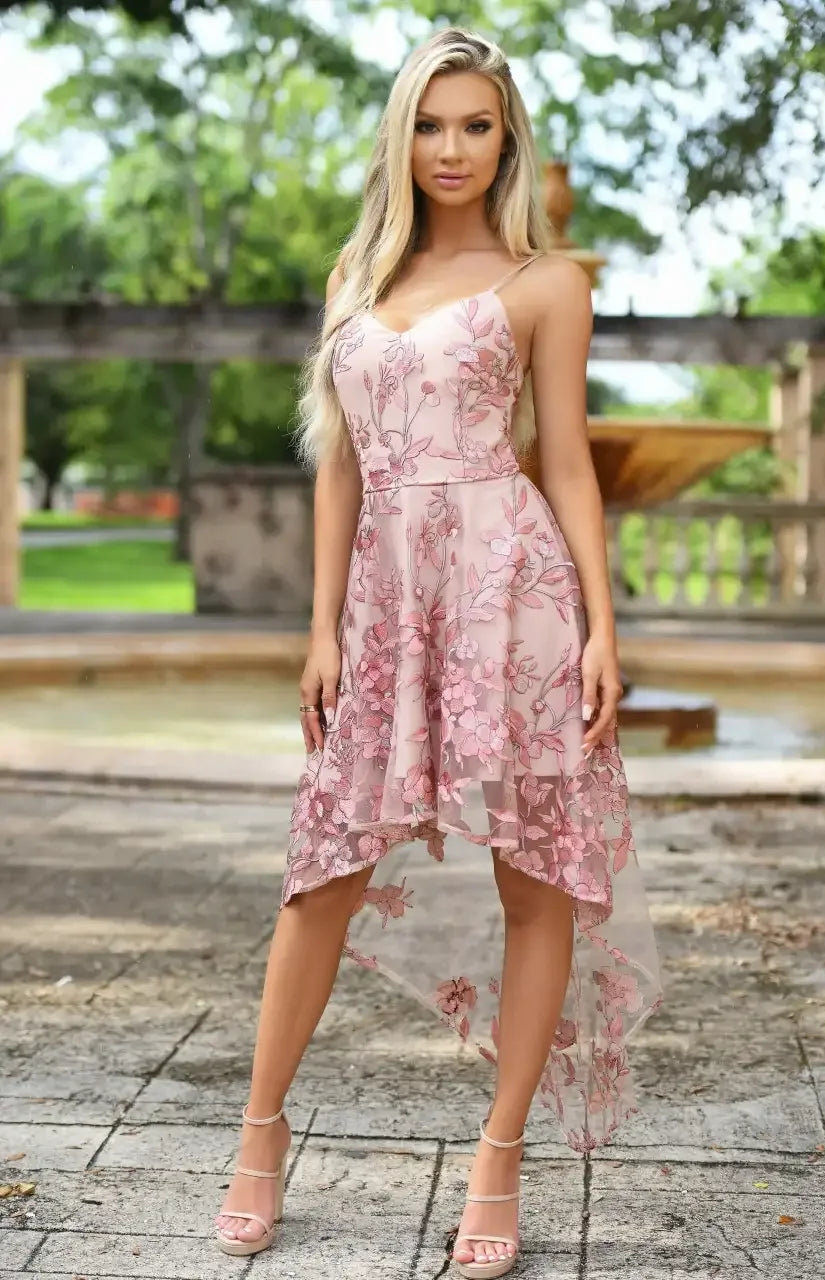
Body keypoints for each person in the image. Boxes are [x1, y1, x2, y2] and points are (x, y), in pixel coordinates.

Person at [214, 25, 663, 1277]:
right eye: (429, 123)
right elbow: (339, 468)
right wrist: (320, 630)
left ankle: (500, 1154)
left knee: (536, 875)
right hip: (383, 606)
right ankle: (259, 1132)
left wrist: (603, 624)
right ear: (400, 136)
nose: (451, 148)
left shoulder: (546, 281)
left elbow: (565, 459)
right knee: (320, 872)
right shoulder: (356, 276)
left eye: (475, 125)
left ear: (506, 136)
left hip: (511, 591)